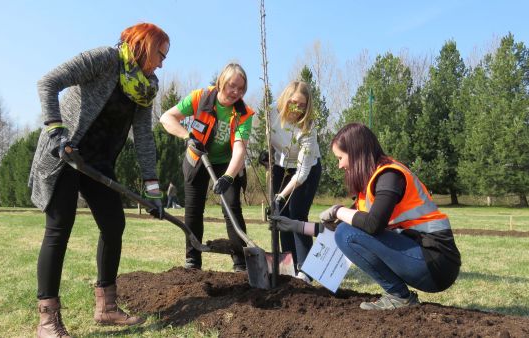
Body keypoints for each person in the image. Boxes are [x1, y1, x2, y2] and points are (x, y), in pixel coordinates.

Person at [28, 23, 169, 337]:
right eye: (160, 54)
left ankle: (106, 307)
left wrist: (153, 190)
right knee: (59, 228)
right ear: (145, 45)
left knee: (113, 224)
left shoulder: (146, 87)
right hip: (66, 153)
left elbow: (144, 138)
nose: (162, 63)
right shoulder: (105, 59)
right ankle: (47, 321)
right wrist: (56, 132)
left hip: (99, 163)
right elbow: (48, 82)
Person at [271, 122, 461, 310]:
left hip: (437, 261)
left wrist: (338, 210)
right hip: (421, 258)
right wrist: (293, 225)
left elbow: (372, 225)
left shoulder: (390, 176)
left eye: (340, 157)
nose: (339, 165)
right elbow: (338, 231)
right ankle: (399, 296)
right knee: (345, 231)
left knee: (347, 232)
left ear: (355, 153)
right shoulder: (369, 188)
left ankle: (399, 296)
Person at [160, 63, 255, 272]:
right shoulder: (200, 97)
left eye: (241, 89)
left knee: (231, 208)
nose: (236, 92)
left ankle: (241, 264)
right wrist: (188, 137)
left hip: (227, 163)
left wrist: (228, 177)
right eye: (232, 86)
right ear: (221, 81)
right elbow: (166, 118)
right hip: (197, 158)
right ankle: (193, 260)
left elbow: (239, 149)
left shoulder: (243, 113)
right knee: (193, 210)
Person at [267, 81, 321, 283]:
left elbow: (302, 172)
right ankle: (289, 264)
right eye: (293, 103)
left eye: (302, 105)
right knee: (281, 216)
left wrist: (282, 194)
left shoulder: (308, 127)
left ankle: (305, 270)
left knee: (297, 215)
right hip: (281, 166)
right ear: (284, 99)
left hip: (306, 170)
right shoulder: (271, 112)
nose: (296, 109)